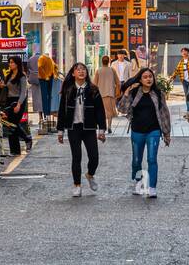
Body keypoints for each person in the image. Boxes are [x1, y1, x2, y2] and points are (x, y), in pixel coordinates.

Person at [118, 67, 171, 198]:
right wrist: (126, 93)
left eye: (150, 76)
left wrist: (166, 132)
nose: (149, 79)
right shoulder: (134, 93)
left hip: (153, 131)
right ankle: (139, 183)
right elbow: (122, 109)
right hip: (137, 131)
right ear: (140, 80)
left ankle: (152, 187)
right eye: (145, 77)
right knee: (137, 160)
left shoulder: (158, 94)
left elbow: (164, 113)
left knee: (152, 159)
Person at [57, 62, 106, 197]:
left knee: (94, 157)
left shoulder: (93, 89)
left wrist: (102, 130)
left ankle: (90, 175)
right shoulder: (68, 90)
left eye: (83, 69)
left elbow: (100, 111)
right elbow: (62, 111)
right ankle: (77, 185)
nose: (81, 71)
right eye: (78, 69)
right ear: (73, 73)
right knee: (76, 157)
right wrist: (60, 131)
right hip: (74, 128)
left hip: (89, 128)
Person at [0, 55, 31, 155]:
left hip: (18, 101)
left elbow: (23, 92)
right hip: (9, 102)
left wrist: (19, 104)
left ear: (17, 64)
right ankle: (15, 150)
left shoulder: (22, 76)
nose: (10, 64)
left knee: (13, 124)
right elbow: (8, 88)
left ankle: (26, 138)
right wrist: (2, 86)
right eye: (9, 62)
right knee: (10, 126)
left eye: (12, 62)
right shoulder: (9, 75)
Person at [171, 46, 189, 117]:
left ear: (188, 52)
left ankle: (188, 111)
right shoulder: (181, 62)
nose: (184, 53)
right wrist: (172, 77)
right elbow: (177, 70)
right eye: (182, 51)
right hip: (184, 81)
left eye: (185, 51)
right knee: (186, 96)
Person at [95, 55, 121, 134]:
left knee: (100, 111)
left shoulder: (98, 71)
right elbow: (118, 83)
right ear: (109, 61)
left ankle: (102, 126)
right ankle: (109, 126)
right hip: (110, 94)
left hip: (100, 95)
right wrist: (117, 92)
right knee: (109, 112)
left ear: (101, 61)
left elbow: (94, 84)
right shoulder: (112, 70)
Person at [37, 52, 56, 126]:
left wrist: (45, 76)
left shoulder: (42, 58)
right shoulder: (50, 59)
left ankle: (46, 115)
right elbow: (55, 67)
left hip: (44, 78)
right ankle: (47, 115)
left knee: (45, 97)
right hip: (49, 77)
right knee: (48, 97)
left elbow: (39, 67)